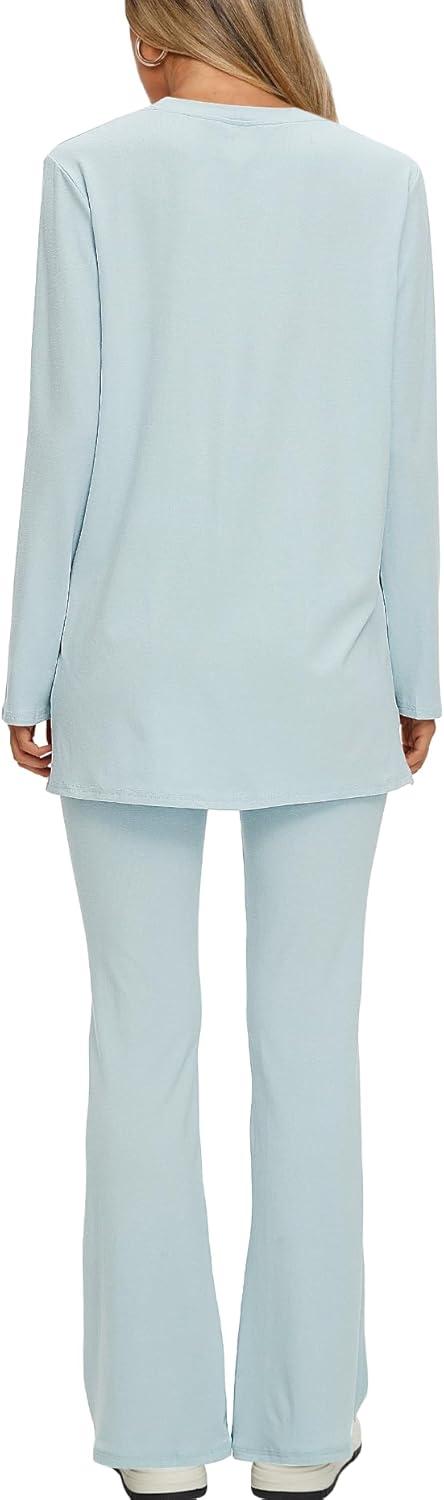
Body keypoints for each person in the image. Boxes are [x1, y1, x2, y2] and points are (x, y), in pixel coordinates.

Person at [3, 2, 440, 1497]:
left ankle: (155, 1444)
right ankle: (308, 1439)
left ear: (152, 34)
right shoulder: (381, 183)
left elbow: (62, 443)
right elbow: (410, 450)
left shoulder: (88, 172)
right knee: (312, 1049)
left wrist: (26, 669)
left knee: (141, 1047)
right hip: (327, 675)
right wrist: (421, 665)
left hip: (129, 672)